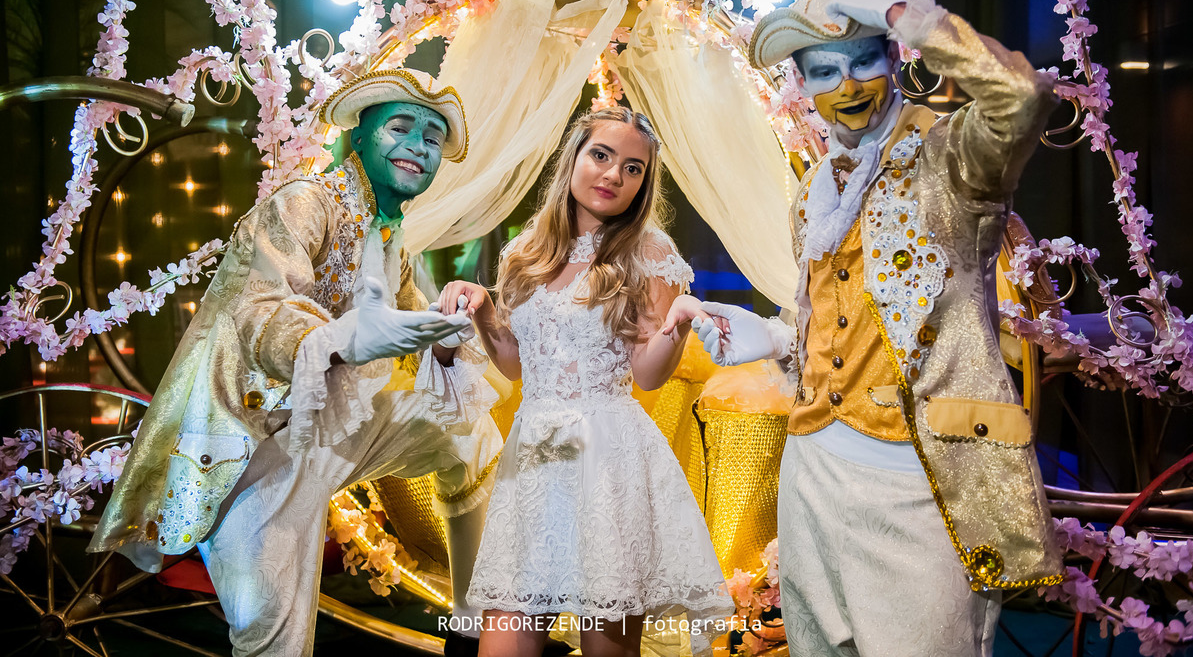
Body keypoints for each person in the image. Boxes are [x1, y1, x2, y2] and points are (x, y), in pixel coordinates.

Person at [694, 0, 1064, 656]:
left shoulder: (950, 157)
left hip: (919, 478)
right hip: (811, 475)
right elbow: (843, 318)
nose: (848, 86)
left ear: (894, 58)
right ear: (803, 84)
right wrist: (773, 338)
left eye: (864, 59)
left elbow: (1022, 97)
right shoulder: (813, 193)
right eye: (824, 71)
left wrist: (907, 17)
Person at [90, 68, 504, 657]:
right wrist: (340, 338)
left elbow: (418, 334)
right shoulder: (306, 202)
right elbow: (260, 307)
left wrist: (449, 327)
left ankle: (471, 627)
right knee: (274, 637)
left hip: (338, 432)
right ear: (359, 135)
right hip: (258, 445)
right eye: (401, 127)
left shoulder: (391, 241)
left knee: (469, 432)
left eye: (433, 138)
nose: (418, 145)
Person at [435, 107, 733, 657]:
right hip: (537, 456)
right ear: (573, 158)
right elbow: (519, 366)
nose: (614, 174)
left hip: (608, 460)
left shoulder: (650, 252)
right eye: (601, 155)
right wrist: (484, 313)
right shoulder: (524, 251)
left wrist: (679, 321)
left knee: (607, 648)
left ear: (643, 183)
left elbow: (648, 375)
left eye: (633, 168)